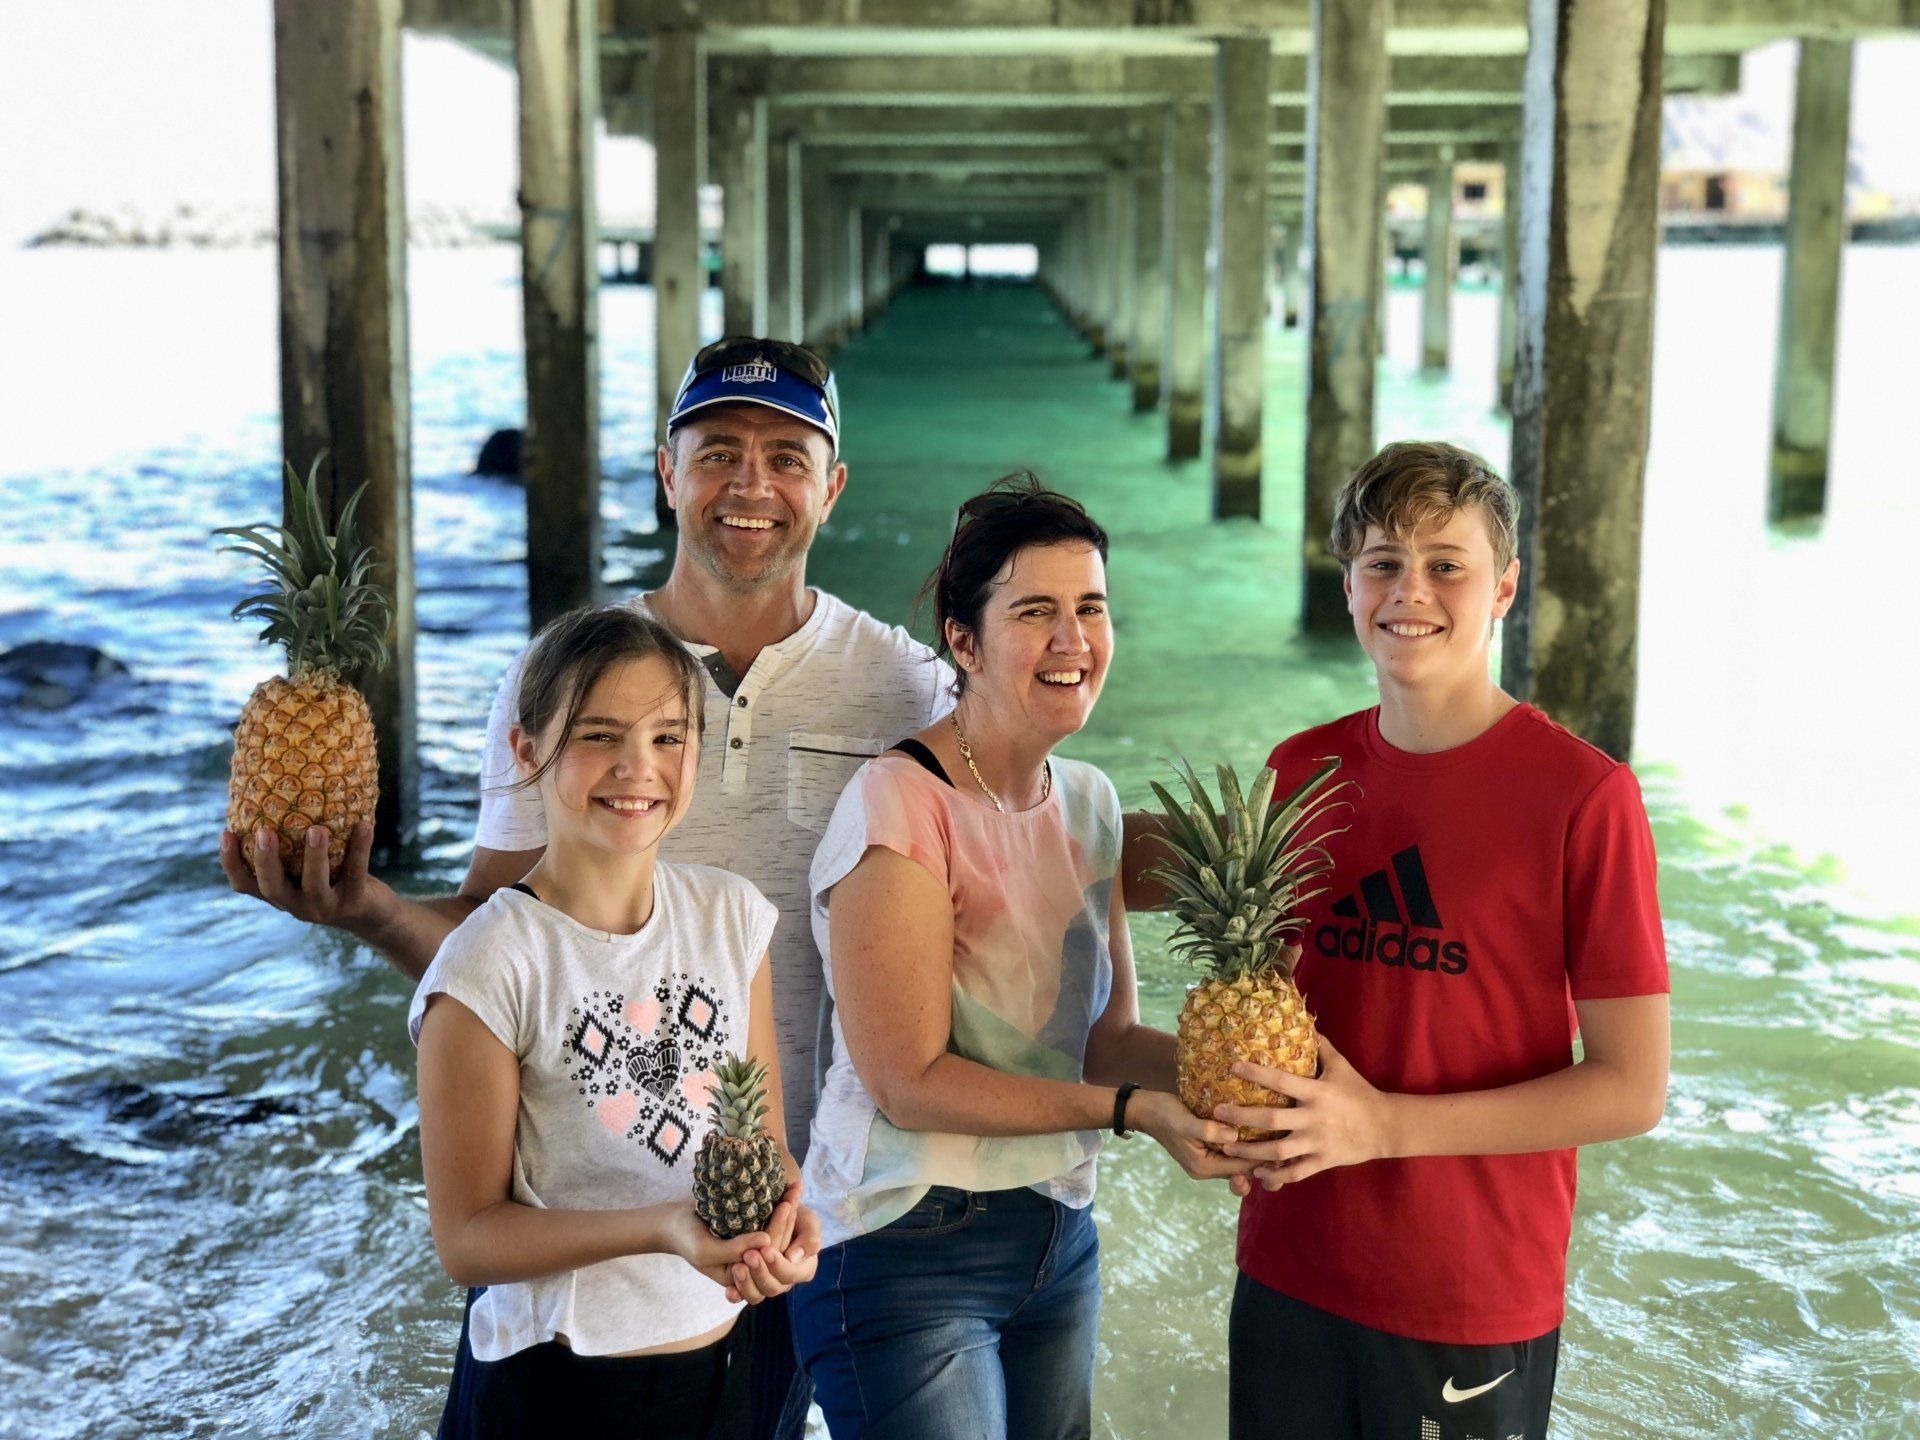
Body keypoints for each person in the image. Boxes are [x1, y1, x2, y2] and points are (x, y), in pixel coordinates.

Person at [221, 337, 950, 1439]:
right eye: (718, 453)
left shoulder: (907, 684)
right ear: (668, 471)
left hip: (795, 1218)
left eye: (788, 457)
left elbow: (996, 860)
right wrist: (365, 908)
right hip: (574, 1239)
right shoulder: (562, 669)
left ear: (832, 485)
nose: (751, 485)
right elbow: (499, 935)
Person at [1191, 442, 1671, 1440]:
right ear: (1350, 583)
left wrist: (1383, 1127)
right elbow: (1273, 1003)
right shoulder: (1301, 768)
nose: (1413, 591)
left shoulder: (1586, 797)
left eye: (1446, 564)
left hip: (1466, 1293)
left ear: (1504, 587)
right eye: (1383, 562)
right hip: (1288, 1267)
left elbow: (1631, 1088)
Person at [789, 476, 1253, 1440]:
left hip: (1055, 1232)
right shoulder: (898, 805)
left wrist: (1252, 1086)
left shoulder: (1087, 800)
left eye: (1091, 608)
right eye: (1035, 612)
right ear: (964, 640)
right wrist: (1138, 1116)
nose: (1073, 640)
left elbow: (1109, 1039)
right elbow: (909, 1081)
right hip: (902, 1241)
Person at [410, 605, 818, 1439]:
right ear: (526, 752)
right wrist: (663, 1229)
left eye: (669, 738)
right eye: (600, 735)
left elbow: (765, 1139)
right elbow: (467, 1238)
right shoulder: (490, 961)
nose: (639, 767)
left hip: (722, 1369)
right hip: (555, 1388)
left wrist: (789, 1220)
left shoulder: (732, 918)